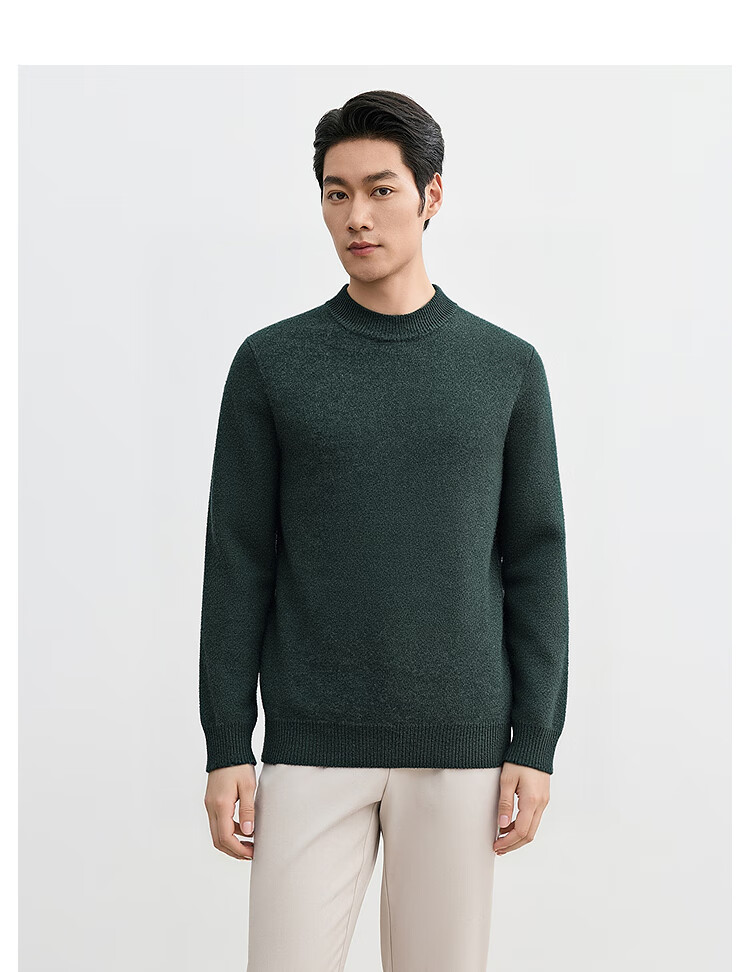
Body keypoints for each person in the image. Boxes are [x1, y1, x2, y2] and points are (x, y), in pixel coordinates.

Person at [199, 89, 569, 972]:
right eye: (336, 193)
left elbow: (537, 560)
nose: (356, 217)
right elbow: (237, 560)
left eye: (380, 190)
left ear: (431, 195)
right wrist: (226, 742)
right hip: (310, 743)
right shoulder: (272, 364)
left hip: (461, 745)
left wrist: (536, 740)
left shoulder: (506, 367)